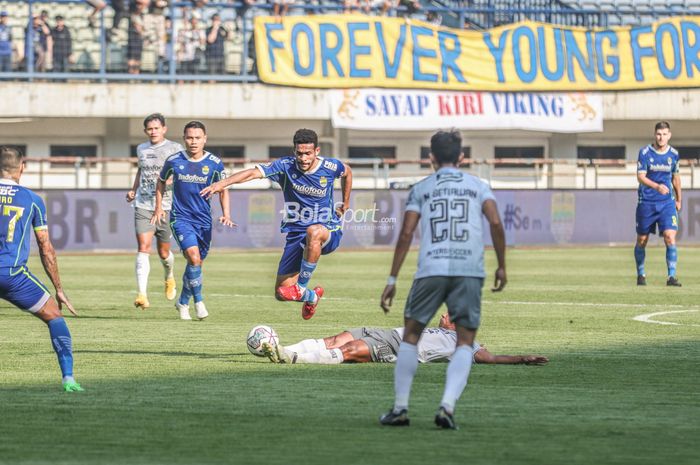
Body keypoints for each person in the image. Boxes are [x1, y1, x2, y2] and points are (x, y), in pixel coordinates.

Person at [378, 129, 506, 430]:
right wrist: (502, 266)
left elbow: (407, 233)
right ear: (462, 157)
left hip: (431, 269)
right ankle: (447, 407)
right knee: (464, 341)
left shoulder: (422, 188)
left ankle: (400, 408)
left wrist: (392, 277)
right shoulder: (479, 186)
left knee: (411, 336)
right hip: (469, 270)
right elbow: (497, 224)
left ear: (431, 158)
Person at [201, 128, 352, 320]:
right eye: (299, 153)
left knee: (313, 231)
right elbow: (253, 173)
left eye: (308, 153)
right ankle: (312, 297)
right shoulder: (285, 166)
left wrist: (346, 203)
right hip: (296, 236)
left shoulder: (330, 167)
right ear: (294, 151)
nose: (303, 158)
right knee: (281, 293)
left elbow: (347, 172)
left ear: (317, 151)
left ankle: (301, 287)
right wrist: (222, 184)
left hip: (328, 231)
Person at [0, 146, 83, 392]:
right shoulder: (32, 200)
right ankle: (68, 378)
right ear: (22, 167)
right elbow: (46, 248)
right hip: (12, 275)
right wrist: (59, 288)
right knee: (54, 317)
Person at [151, 121, 234, 320]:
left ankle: (182, 302)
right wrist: (159, 207)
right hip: (181, 218)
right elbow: (161, 182)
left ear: (204, 139)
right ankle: (199, 302)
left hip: (204, 221)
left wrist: (226, 214)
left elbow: (223, 188)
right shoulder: (174, 160)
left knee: (196, 264)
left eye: (197, 138)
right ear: (184, 139)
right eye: (189, 137)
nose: (193, 141)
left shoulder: (214, 163)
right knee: (194, 257)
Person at [262, 313, 548, 366]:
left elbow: (490, 359)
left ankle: (292, 358)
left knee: (349, 351)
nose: (443, 317)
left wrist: (522, 358)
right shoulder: (440, 330)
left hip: (398, 348)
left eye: (448, 316)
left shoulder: (467, 344)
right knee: (336, 338)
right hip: (388, 332)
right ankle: (282, 348)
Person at [126, 113, 184, 310]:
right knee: (143, 247)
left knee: (163, 252)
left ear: (164, 129)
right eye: (149, 129)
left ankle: (169, 276)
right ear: (145, 131)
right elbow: (141, 170)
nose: (153, 132)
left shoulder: (175, 148)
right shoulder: (141, 149)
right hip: (144, 204)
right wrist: (134, 189)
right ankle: (142, 294)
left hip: (166, 205)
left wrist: (169, 181)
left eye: (156, 128)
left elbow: (182, 172)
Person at [634, 121, 682, 287]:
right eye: (658, 134)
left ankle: (671, 277)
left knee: (670, 237)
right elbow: (640, 176)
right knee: (642, 240)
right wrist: (656, 186)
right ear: (655, 135)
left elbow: (676, 177)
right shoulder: (645, 152)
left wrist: (678, 199)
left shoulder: (674, 154)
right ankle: (641, 275)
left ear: (669, 135)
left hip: (667, 203)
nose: (661, 137)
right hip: (647, 201)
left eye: (664, 134)